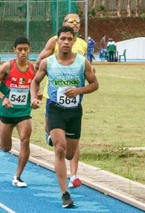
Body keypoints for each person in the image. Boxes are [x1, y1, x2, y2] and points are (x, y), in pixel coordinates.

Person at [31, 26, 99, 208]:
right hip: (55, 109)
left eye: (70, 39)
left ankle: (51, 137)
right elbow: (35, 81)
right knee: (60, 149)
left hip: (74, 111)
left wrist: (79, 90)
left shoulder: (82, 62)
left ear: (74, 40)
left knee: (69, 153)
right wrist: (34, 97)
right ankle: (65, 194)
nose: (66, 42)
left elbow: (94, 84)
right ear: (57, 41)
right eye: (63, 39)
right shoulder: (48, 62)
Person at [34, 12, 88, 189]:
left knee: (70, 148)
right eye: (70, 21)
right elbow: (40, 60)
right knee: (58, 142)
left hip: (73, 97)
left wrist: (80, 86)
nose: (74, 24)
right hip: (53, 95)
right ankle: (68, 183)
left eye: (77, 21)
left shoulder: (83, 45)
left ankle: (74, 173)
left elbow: (87, 72)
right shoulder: (53, 41)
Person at [0, 36, 36, 187]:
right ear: (14, 50)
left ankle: (18, 176)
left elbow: (35, 87)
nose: (23, 52)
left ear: (29, 50)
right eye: (20, 49)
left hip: (23, 111)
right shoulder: (7, 66)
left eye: (26, 49)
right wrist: (3, 97)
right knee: (6, 147)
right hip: (7, 110)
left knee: (25, 139)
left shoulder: (33, 68)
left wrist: (36, 97)